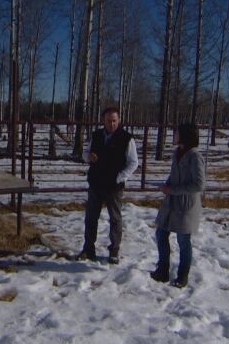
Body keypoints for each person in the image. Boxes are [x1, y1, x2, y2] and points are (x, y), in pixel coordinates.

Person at [78, 107, 138, 264]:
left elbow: (133, 162)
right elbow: (85, 153)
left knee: (115, 219)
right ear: (103, 121)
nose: (111, 124)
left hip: (114, 186)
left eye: (114, 121)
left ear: (119, 120)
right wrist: (88, 157)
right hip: (96, 182)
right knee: (91, 218)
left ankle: (114, 250)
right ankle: (88, 248)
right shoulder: (96, 135)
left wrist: (120, 177)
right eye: (108, 121)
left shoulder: (126, 138)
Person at [150, 123, 205, 288]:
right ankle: (162, 270)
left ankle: (183, 276)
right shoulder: (177, 153)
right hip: (171, 203)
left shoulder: (195, 156)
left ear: (185, 136)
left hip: (186, 206)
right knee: (161, 233)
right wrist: (167, 186)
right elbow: (174, 175)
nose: (173, 136)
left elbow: (199, 185)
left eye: (176, 133)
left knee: (183, 240)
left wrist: (173, 189)